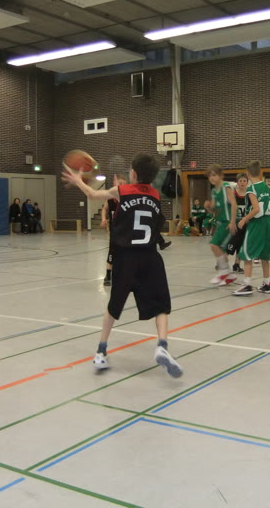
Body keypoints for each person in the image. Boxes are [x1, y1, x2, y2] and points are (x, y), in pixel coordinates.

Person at [62, 153, 183, 378]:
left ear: (133, 173)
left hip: (125, 258)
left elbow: (92, 194)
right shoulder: (156, 195)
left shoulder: (122, 191)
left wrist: (78, 180)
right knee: (161, 306)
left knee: (113, 307)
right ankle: (162, 346)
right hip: (150, 258)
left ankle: (101, 351)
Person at [233, 160, 270, 295]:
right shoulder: (266, 186)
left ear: (247, 173)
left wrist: (244, 219)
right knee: (264, 255)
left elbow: (256, 209)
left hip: (257, 223)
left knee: (247, 253)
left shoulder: (252, 189)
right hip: (268, 222)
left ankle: (247, 285)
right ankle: (267, 283)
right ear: (260, 172)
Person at [204, 164, 238, 286]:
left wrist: (233, 222)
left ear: (221, 175)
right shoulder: (214, 191)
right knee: (222, 252)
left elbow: (234, 204)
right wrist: (208, 207)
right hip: (220, 222)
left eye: (214, 175)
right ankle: (230, 275)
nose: (211, 178)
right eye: (209, 176)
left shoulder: (226, 187)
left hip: (228, 222)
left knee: (214, 245)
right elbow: (214, 210)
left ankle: (224, 272)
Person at [101, 174, 127, 286]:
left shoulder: (127, 198)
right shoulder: (110, 198)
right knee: (112, 252)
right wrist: (103, 219)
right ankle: (108, 275)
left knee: (127, 253)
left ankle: (126, 274)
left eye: (124, 184)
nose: (122, 186)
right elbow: (105, 209)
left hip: (126, 231)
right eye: (120, 183)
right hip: (115, 231)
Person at [227, 173, 249, 274]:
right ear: (237, 182)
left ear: (247, 182)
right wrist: (231, 222)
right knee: (230, 245)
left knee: (241, 245)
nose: (242, 183)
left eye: (244, 181)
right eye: (240, 181)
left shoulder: (250, 195)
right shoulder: (233, 194)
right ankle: (222, 263)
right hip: (234, 223)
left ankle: (236, 264)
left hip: (245, 224)